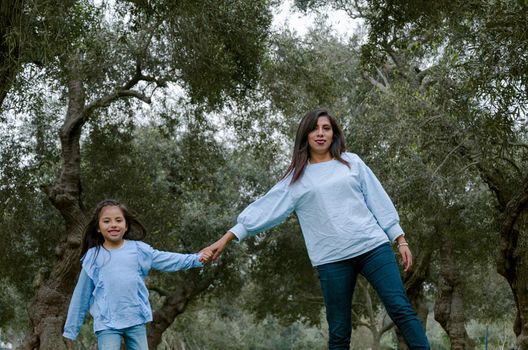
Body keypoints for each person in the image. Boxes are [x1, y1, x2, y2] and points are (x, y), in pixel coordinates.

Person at [205, 108, 430, 349]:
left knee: (400, 309)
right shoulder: (295, 179)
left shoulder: (351, 162)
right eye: (314, 128)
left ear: (334, 134)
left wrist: (400, 238)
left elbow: (377, 198)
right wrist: (228, 237)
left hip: (372, 247)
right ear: (305, 135)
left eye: (326, 128)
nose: (320, 133)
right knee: (339, 331)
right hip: (331, 259)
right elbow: (265, 208)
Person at [63, 199, 211, 350]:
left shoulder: (139, 250)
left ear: (126, 226)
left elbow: (167, 259)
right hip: (106, 323)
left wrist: (195, 259)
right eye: (106, 221)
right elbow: (81, 295)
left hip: (135, 318)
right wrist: (70, 330)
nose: (113, 224)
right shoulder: (93, 257)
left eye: (118, 220)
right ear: (98, 228)